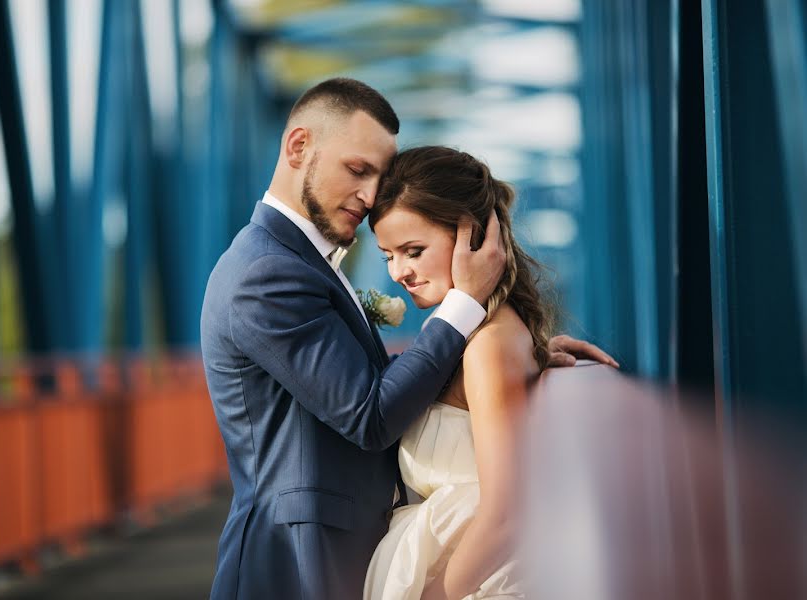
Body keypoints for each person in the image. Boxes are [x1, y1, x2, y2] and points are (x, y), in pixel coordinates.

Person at [200, 78, 615, 600]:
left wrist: (517, 361)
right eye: (358, 170)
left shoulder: (304, 265)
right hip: (295, 563)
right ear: (298, 146)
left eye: (379, 175)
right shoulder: (264, 272)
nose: (371, 195)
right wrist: (465, 308)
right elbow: (369, 414)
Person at [364, 146, 569, 599]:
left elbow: (505, 513)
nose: (399, 271)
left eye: (413, 251)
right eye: (387, 256)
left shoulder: (488, 347)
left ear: (470, 235)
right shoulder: (482, 340)